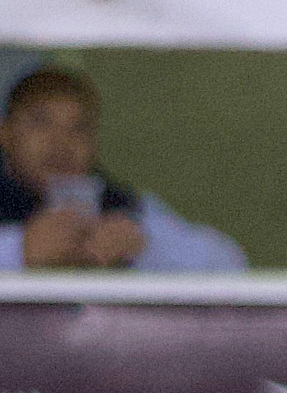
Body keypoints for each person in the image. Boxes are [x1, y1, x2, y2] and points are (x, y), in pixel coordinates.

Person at [0, 65, 246, 273]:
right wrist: (19, 250)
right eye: (41, 123)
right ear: (6, 132)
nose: (61, 142)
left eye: (79, 128)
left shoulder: (121, 203)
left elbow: (232, 264)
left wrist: (144, 246)